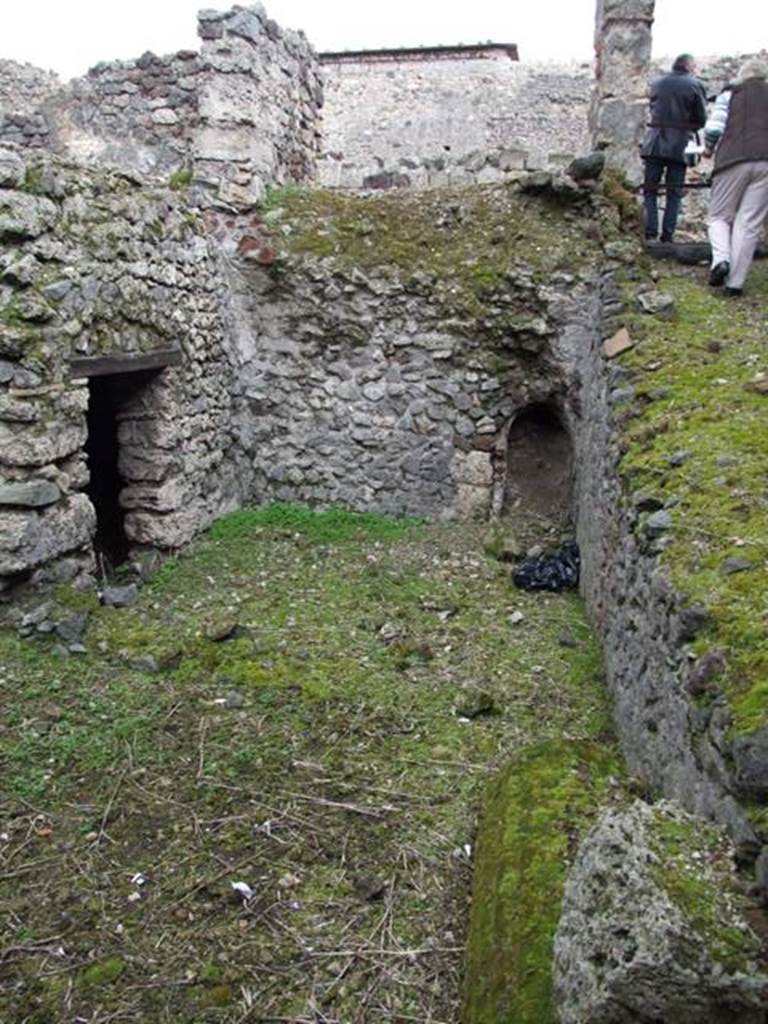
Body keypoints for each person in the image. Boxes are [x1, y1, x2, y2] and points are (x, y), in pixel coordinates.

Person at [704, 58, 768, 296]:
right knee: (749, 222)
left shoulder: (731, 94)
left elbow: (713, 129)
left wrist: (708, 149)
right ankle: (735, 284)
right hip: (766, 163)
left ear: (743, 75)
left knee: (718, 216)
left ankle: (721, 260)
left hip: (733, 159)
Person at [640, 54, 708, 243]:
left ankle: (650, 233)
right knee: (674, 192)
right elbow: (701, 119)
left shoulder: (657, 83)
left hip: (655, 141)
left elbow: (653, 110)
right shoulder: (695, 84)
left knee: (650, 189)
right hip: (680, 144)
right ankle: (667, 236)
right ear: (689, 66)